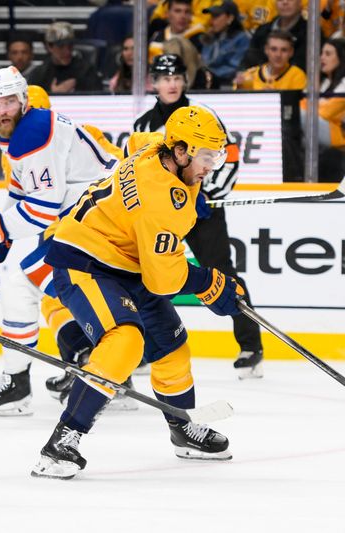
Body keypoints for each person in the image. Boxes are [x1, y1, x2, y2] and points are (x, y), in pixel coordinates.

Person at [32, 106, 241, 479]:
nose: (212, 164)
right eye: (207, 156)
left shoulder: (155, 145)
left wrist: (191, 194)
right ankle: (62, 441)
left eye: (217, 154)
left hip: (128, 264)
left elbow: (135, 141)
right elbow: (165, 279)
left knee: (172, 347)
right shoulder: (161, 201)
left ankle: (182, 428)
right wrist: (209, 283)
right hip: (84, 260)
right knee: (125, 341)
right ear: (181, 152)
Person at [0, 67, 119, 416]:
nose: (3, 109)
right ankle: (101, 366)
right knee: (52, 289)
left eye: (9, 101)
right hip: (91, 220)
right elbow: (20, 194)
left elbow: (44, 207)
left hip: (101, 224)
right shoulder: (19, 131)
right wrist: (1, 239)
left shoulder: (33, 132)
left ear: (24, 100)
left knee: (22, 286)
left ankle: (20, 384)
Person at [134, 54, 265, 378]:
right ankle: (147, 348)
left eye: (177, 77)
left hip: (203, 211)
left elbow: (228, 156)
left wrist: (208, 193)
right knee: (148, 274)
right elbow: (141, 170)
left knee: (222, 271)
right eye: (165, 78)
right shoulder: (143, 125)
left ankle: (251, 345)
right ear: (154, 82)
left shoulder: (202, 115)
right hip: (164, 214)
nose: (172, 84)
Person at [301, 38, 345, 150]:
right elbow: (303, 103)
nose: (322, 58)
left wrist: (309, 105)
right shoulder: (325, 81)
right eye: (322, 53)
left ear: (341, 58)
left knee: (299, 115)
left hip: (343, 135)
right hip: (325, 129)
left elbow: (325, 112)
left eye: (328, 54)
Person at [240, 0, 317, 73]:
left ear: (300, 2)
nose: (285, 2)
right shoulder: (262, 30)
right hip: (260, 82)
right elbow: (249, 61)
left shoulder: (312, 32)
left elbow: (305, 67)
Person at [27, 21, 102, 94]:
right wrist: (54, 95)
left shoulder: (86, 71)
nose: (67, 51)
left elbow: (97, 98)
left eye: (70, 45)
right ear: (49, 47)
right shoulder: (39, 74)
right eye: (61, 46)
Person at [234, 30, 306, 90]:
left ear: (291, 52)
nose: (278, 55)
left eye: (284, 50)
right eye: (273, 49)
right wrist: (240, 88)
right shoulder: (250, 75)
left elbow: (300, 105)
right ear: (266, 50)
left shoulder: (297, 75)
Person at [200, 0, 250, 87]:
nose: (212, 21)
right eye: (212, 16)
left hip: (228, 86)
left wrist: (209, 74)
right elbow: (204, 62)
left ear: (230, 18)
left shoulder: (242, 39)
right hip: (208, 83)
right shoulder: (211, 36)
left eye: (216, 16)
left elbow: (234, 68)